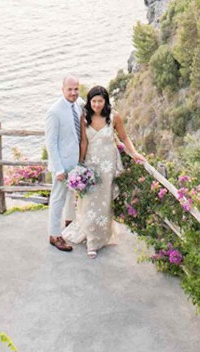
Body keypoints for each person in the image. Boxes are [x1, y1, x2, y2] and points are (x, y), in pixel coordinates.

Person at [63, 85, 143, 259]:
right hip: (91, 165)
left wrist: (134, 153)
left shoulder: (114, 117)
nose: (97, 105)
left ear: (105, 101)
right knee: (89, 201)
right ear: (89, 102)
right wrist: (80, 164)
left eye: (100, 101)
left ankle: (101, 237)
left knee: (104, 202)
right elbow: (83, 142)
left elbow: (124, 137)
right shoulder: (85, 118)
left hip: (108, 165)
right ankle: (91, 240)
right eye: (94, 101)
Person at [44, 75, 84, 252]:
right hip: (61, 165)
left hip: (75, 163)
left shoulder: (79, 104)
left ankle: (69, 223)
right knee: (58, 198)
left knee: (70, 196)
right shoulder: (54, 111)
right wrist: (59, 168)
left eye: (76, 89)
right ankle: (54, 235)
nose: (73, 92)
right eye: (70, 89)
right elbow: (50, 143)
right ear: (62, 89)